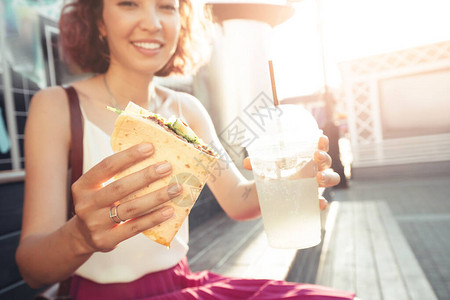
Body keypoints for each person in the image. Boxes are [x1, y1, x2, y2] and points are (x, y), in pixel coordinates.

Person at [15, 0, 356, 299]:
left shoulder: (188, 109)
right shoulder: (57, 107)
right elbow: (32, 268)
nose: (153, 22)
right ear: (99, 21)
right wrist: (80, 236)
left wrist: (293, 173)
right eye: (128, 3)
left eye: (167, 6)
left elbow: (237, 199)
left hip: (182, 286)